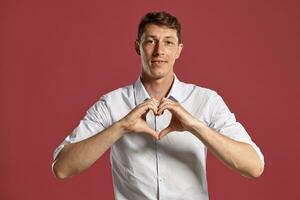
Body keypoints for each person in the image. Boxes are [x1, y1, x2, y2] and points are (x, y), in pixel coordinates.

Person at [52, 11, 264, 200]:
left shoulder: (206, 100)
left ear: (179, 49)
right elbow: (62, 168)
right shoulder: (111, 104)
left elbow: (254, 166)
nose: (159, 51)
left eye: (168, 42)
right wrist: (121, 126)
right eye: (151, 41)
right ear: (138, 47)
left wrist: (195, 126)